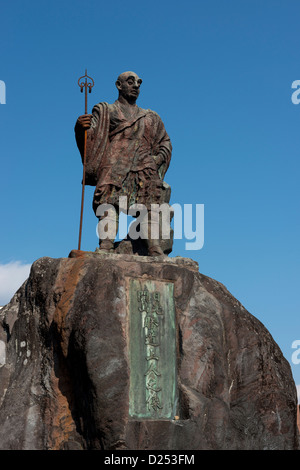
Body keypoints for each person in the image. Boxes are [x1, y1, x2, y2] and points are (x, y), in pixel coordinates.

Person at [75, 71, 172, 256]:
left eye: (139, 83)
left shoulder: (151, 117)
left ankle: (154, 248)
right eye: (130, 82)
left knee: (150, 207)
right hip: (115, 165)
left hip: (145, 166)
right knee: (108, 205)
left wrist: (157, 159)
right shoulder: (107, 111)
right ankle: (106, 245)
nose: (136, 86)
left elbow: (165, 142)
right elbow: (92, 136)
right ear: (119, 85)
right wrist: (82, 128)